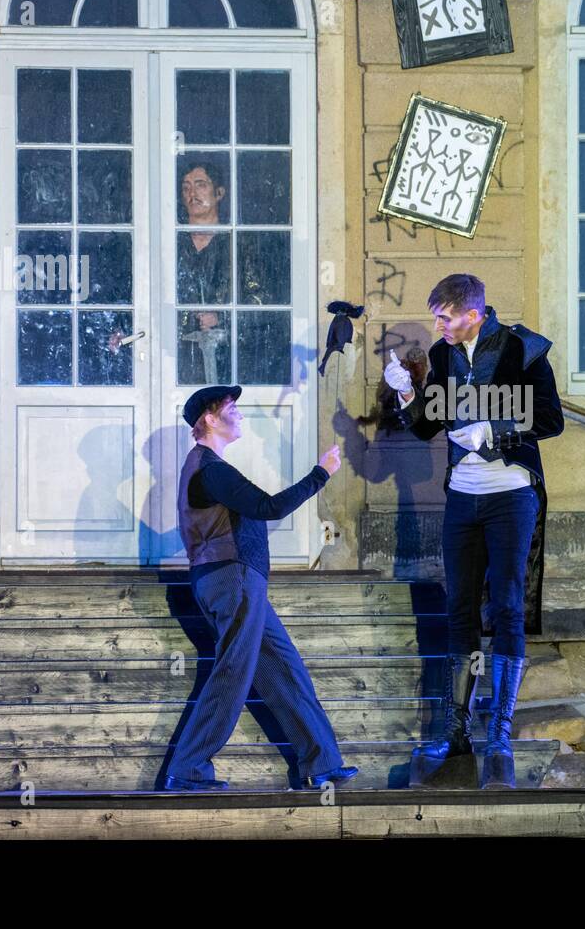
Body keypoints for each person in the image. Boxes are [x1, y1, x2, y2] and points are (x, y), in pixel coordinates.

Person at [386, 273, 563, 788]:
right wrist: (406, 396)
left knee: (505, 605)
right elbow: (426, 426)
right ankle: (457, 733)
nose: (437, 325)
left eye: (444, 316)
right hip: (462, 495)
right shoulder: (443, 356)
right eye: (435, 317)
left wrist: (496, 429)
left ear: (473, 314)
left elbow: (551, 419)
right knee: (459, 607)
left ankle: (500, 736)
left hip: (510, 493)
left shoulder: (523, 350)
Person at [166, 383, 358, 791]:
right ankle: (188, 769)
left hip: (240, 580)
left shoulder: (207, 467)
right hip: (231, 579)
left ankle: (321, 761)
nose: (239, 415)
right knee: (233, 672)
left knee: (285, 669)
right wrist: (321, 473)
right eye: (231, 409)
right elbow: (269, 507)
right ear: (210, 419)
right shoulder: (210, 468)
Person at [176, 161, 232, 384]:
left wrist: (221, 318)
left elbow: (259, 301)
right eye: (186, 187)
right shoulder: (173, 244)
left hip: (227, 360)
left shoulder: (236, 243)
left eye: (200, 185)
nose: (192, 193)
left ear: (219, 193)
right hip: (177, 361)